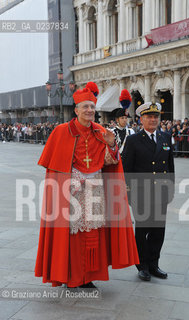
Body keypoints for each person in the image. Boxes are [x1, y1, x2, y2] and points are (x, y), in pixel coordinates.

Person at [34, 83, 139, 289]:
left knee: (93, 235)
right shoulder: (60, 131)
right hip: (70, 193)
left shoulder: (101, 131)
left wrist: (111, 144)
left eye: (92, 106)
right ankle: (70, 275)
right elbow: (54, 169)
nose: (89, 110)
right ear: (76, 110)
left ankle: (87, 276)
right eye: (85, 107)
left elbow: (111, 162)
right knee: (71, 236)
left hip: (95, 193)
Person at [122, 102, 175, 281]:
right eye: (149, 117)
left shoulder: (165, 137)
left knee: (158, 230)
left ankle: (154, 264)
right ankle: (142, 265)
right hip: (141, 192)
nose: (153, 120)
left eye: (155, 117)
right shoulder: (133, 140)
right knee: (143, 230)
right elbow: (126, 169)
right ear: (141, 119)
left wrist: (170, 188)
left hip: (161, 191)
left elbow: (170, 166)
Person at [112, 89, 135, 158]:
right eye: (122, 118)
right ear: (117, 120)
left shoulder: (131, 131)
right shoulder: (112, 132)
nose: (125, 120)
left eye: (126, 118)